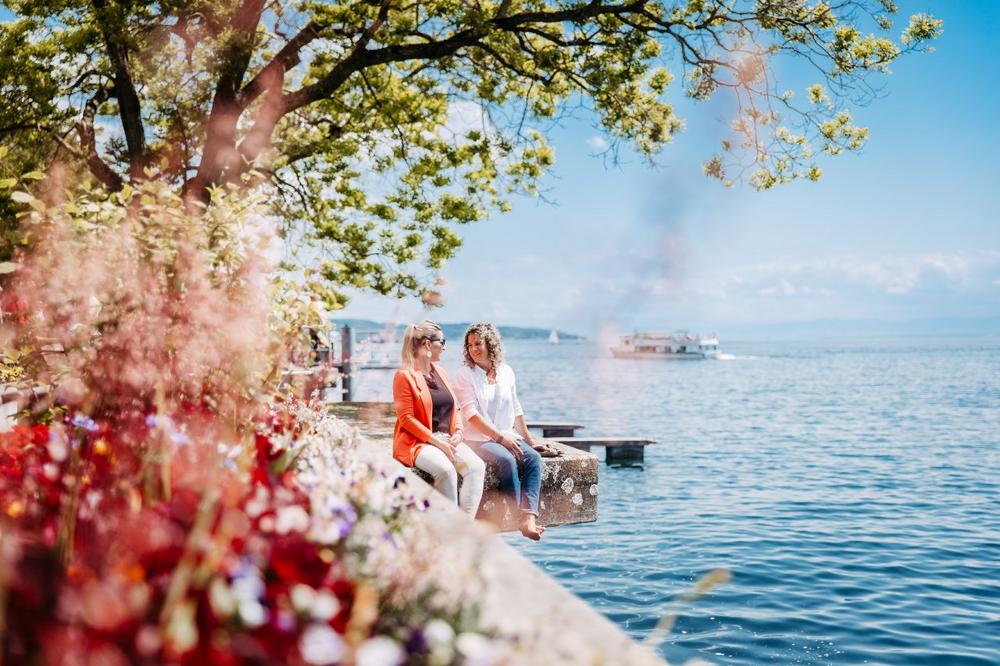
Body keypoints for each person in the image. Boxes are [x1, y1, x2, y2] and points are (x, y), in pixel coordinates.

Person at [453, 322, 559, 541]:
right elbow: (471, 414)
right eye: (470, 345)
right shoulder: (465, 375)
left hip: (505, 434)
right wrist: (500, 439)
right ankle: (518, 516)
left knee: (533, 459)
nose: (473, 349)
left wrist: (529, 440)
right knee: (507, 461)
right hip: (477, 438)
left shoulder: (506, 372)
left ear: (490, 344)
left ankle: (528, 517)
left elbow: (516, 408)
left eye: (478, 343)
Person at [392, 320, 486, 516]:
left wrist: (458, 431)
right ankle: (450, 527)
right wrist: (437, 442)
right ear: (427, 344)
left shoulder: (441, 372)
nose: (444, 347)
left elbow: (454, 408)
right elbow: (406, 418)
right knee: (446, 471)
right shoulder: (404, 376)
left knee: (476, 467)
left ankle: (464, 527)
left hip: (447, 439)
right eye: (442, 342)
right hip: (419, 442)